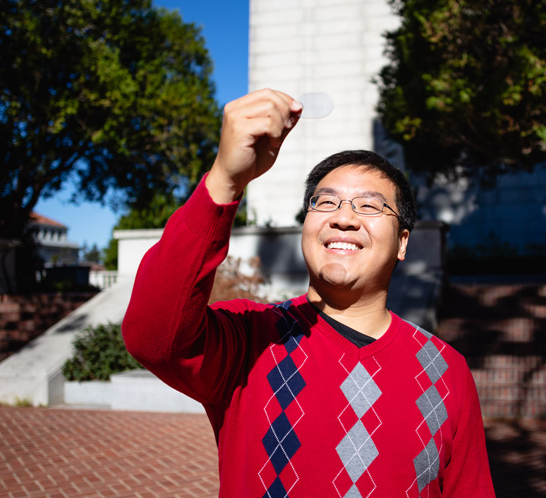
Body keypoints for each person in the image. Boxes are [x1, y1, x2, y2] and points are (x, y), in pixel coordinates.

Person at [122, 89, 495, 497]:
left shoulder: (447, 372)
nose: (343, 218)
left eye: (369, 207)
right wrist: (225, 180)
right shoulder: (250, 341)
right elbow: (153, 337)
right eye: (325, 202)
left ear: (403, 242)